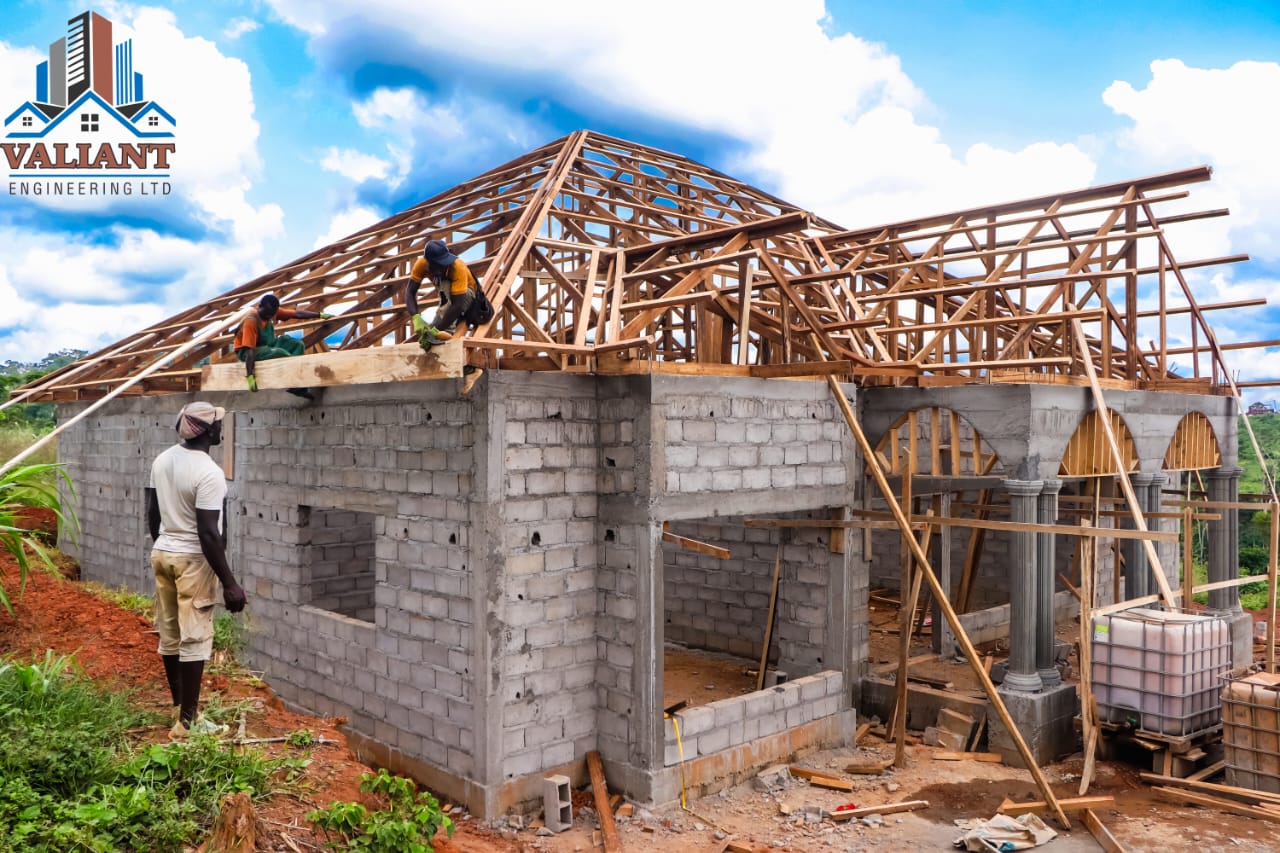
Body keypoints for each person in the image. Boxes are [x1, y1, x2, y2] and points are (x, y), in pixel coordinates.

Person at [146, 402, 247, 739]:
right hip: (191, 559)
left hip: (162, 552)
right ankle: (188, 724)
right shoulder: (209, 472)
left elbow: (153, 513)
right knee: (195, 637)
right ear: (209, 431)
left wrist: (167, 541)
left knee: (171, 633)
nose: (222, 428)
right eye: (219, 424)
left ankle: (180, 709)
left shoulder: (162, 460)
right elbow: (208, 533)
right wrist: (230, 583)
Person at [234, 293, 331, 398]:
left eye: (271, 315)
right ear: (260, 306)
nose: (269, 317)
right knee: (280, 353)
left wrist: (319, 315)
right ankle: (293, 382)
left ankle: (298, 386)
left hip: (268, 344)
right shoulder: (251, 321)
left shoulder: (272, 311)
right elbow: (250, 350)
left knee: (297, 344)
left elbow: (297, 314)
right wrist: (250, 376)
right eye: (266, 315)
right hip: (247, 351)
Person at [406, 239, 479, 349]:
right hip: (447, 298)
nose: (444, 266)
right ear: (429, 263)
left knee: (445, 287)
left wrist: (437, 331)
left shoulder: (457, 267)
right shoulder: (421, 264)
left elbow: (457, 306)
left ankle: (449, 334)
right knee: (428, 332)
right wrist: (416, 317)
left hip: (470, 297)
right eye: (440, 264)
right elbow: (410, 292)